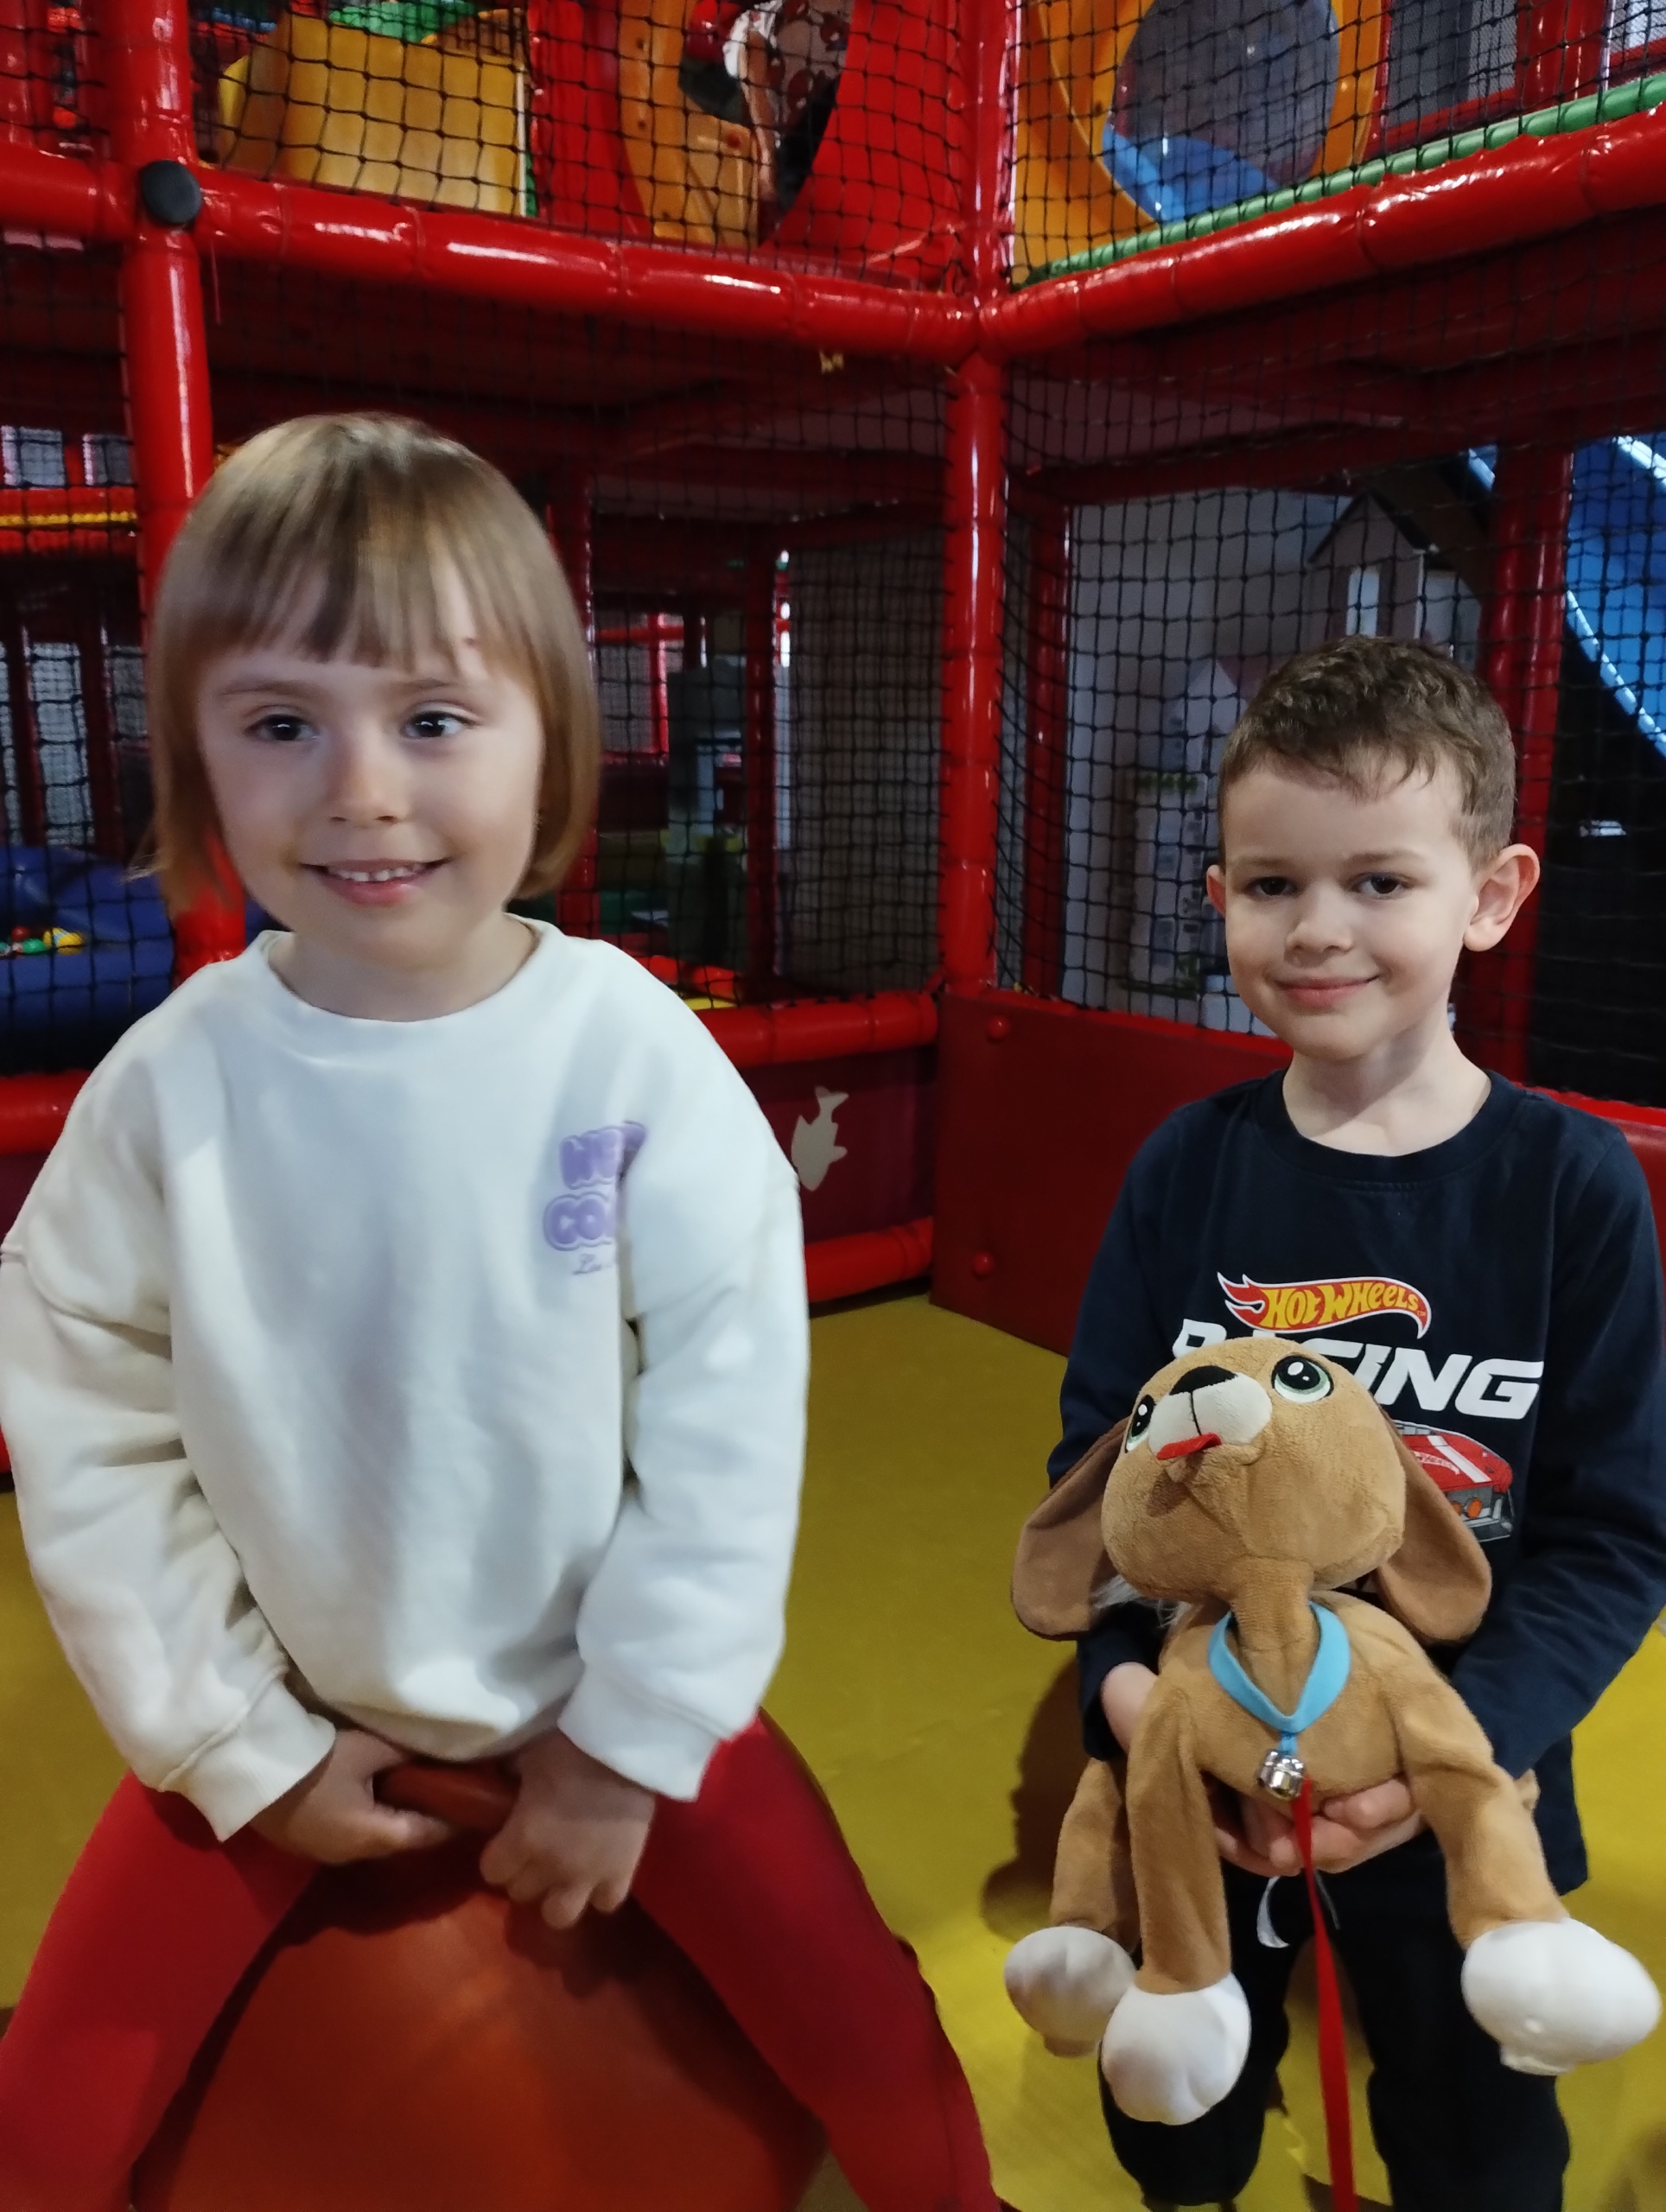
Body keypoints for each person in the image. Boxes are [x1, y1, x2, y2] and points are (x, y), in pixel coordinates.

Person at [0, 413, 999, 2212]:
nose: (363, 790)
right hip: (288, 1696)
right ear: (196, 764)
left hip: (603, 1695)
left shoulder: (628, 1053)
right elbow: (86, 1414)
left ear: (551, 750)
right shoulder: (169, 1087)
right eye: (281, 726)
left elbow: (726, 1413)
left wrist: (628, 1739)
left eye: (435, 721)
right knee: (56, 2090)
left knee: (865, 2023)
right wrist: (240, 1744)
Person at [1052, 634, 1666, 2210]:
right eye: (1273, 884)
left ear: (1492, 894)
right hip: (1197, 1784)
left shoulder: (1569, 1188)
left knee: (1476, 2150)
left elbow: (1616, 1533)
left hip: (1464, 1784)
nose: (1319, 928)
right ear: (1221, 899)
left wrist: (1458, 1748)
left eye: (1380, 881)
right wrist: (1135, 1701)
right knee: (1178, 2121)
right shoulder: (1184, 1169)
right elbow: (1096, 1477)